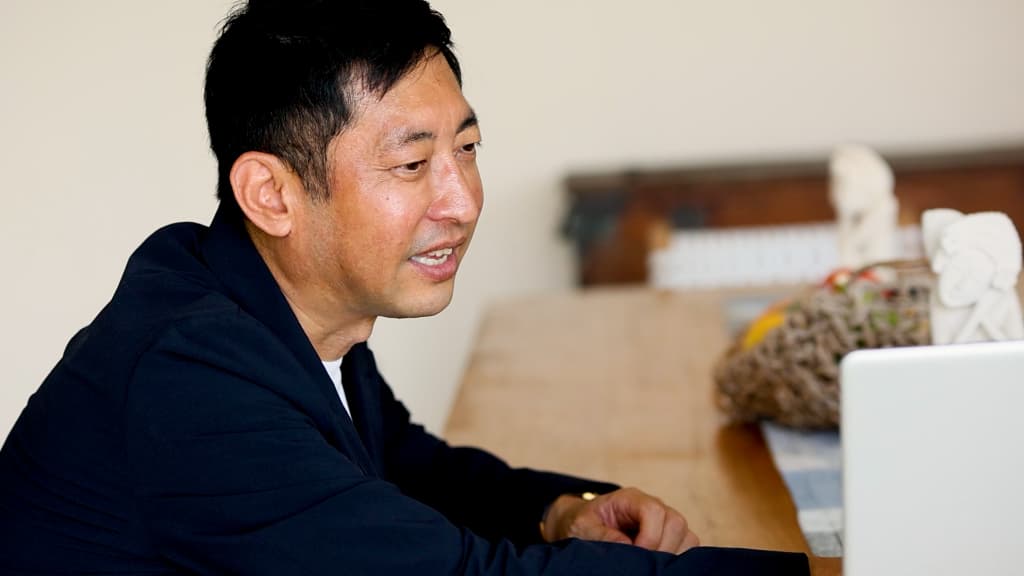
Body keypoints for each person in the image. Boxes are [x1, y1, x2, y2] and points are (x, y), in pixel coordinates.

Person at [0, 1, 821, 573]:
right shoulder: (192, 378)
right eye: (413, 163)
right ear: (271, 195)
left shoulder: (278, 308)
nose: (461, 201)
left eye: (466, 149)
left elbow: (404, 463)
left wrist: (558, 512)